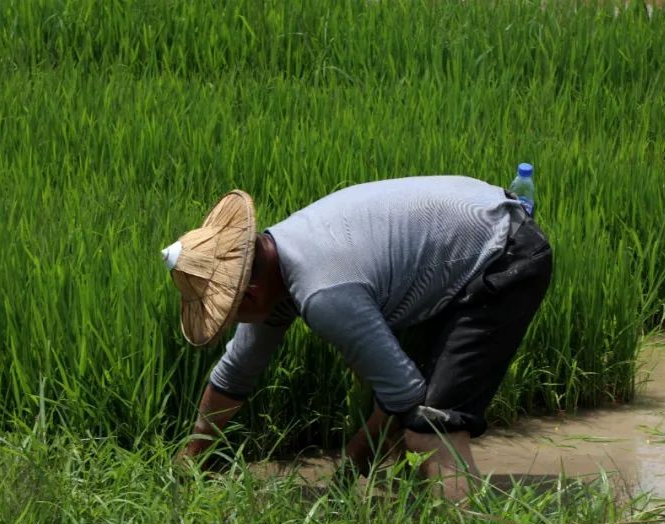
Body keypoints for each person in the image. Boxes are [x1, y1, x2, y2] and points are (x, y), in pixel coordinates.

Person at [162, 176, 552, 502]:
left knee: (429, 426)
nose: (231, 322)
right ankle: (418, 515)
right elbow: (235, 373)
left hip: (503, 256)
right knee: (401, 414)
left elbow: (404, 393)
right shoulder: (273, 259)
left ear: (248, 295)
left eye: (228, 313)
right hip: (465, 239)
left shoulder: (323, 293)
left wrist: (345, 477)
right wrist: (191, 461)